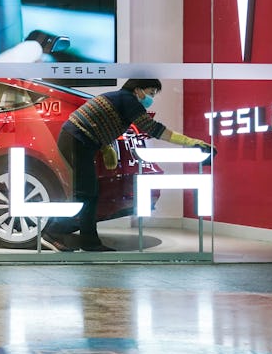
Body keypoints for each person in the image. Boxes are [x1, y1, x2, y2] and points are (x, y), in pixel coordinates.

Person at [44, 79, 214, 252]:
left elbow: (99, 123)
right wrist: (189, 141)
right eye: (151, 93)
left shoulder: (119, 99)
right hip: (77, 140)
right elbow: (153, 128)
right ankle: (55, 231)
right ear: (138, 90)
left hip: (76, 139)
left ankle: (86, 240)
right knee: (86, 193)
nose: (151, 98)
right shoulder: (128, 100)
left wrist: (105, 147)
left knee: (89, 193)